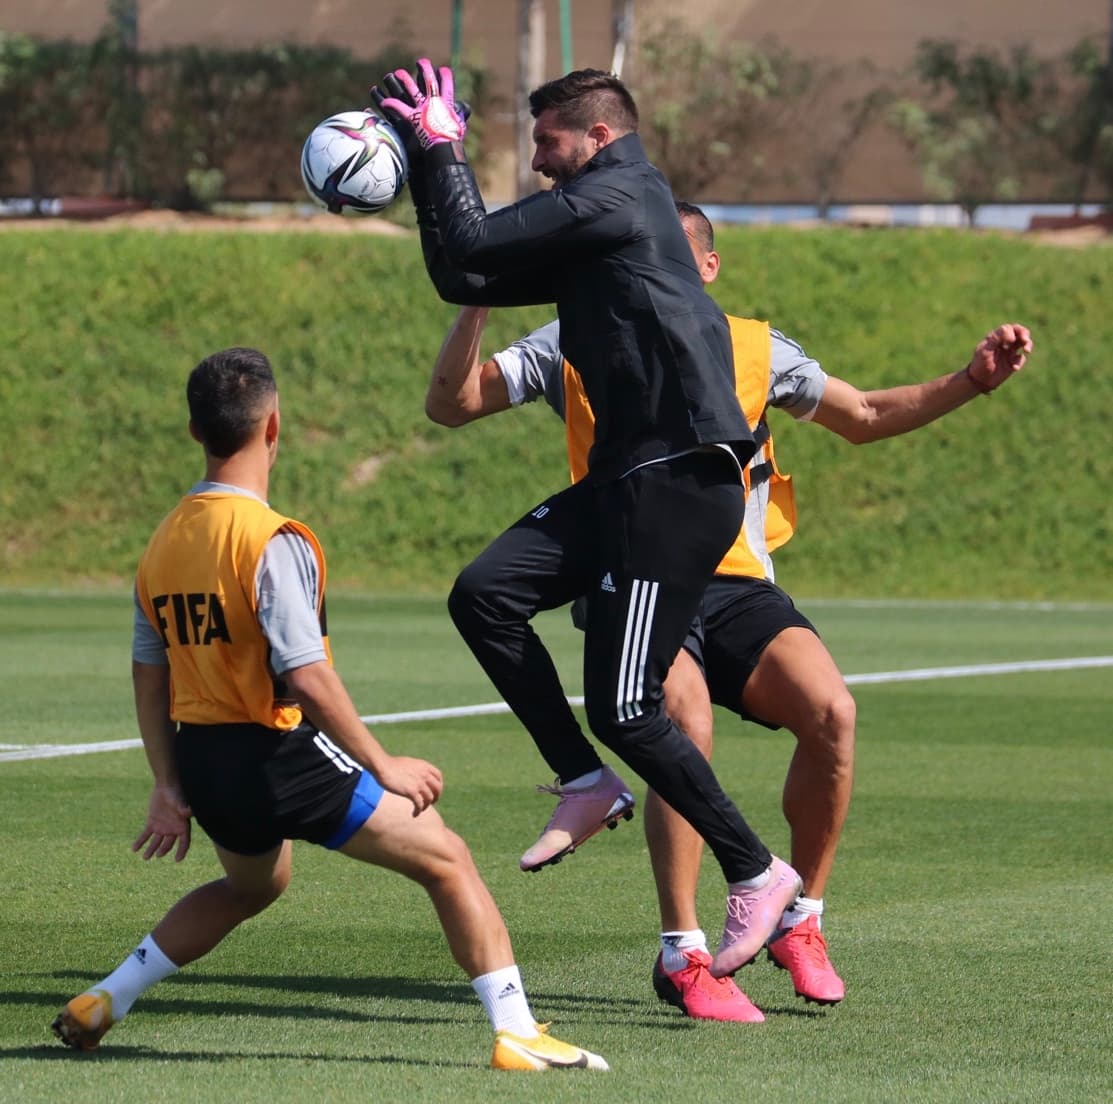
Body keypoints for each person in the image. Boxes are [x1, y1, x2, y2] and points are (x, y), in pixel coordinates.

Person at [424, 202, 1033, 1021]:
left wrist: (970, 382)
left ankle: (800, 922)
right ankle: (685, 954)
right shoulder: (580, 335)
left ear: (707, 269)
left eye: (672, 257)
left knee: (832, 713)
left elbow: (863, 417)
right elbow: (457, 401)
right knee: (675, 718)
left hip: (736, 579)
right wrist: (476, 296)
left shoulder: (754, 346)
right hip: (632, 570)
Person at [51, 347, 608, 1073]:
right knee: (446, 859)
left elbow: (148, 671)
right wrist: (384, 764)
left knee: (255, 884)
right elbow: (305, 676)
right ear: (274, 425)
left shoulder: (164, 539)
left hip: (206, 759)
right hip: (277, 752)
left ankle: (107, 999)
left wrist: (167, 783)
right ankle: (517, 1034)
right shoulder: (271, 539)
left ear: (195, 431)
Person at [372, 62, 802, 980]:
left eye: (546, 140)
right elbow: (462, 267)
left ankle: (758, 869)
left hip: (678, 480)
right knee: (483, 594)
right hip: (625, 479)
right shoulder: (597, 223)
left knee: (627, 705)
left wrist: (441, 146)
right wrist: (421, 157)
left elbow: (477, 239)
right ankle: (582, 780)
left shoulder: (623, 193)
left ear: (597, 137)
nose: (535, 159)